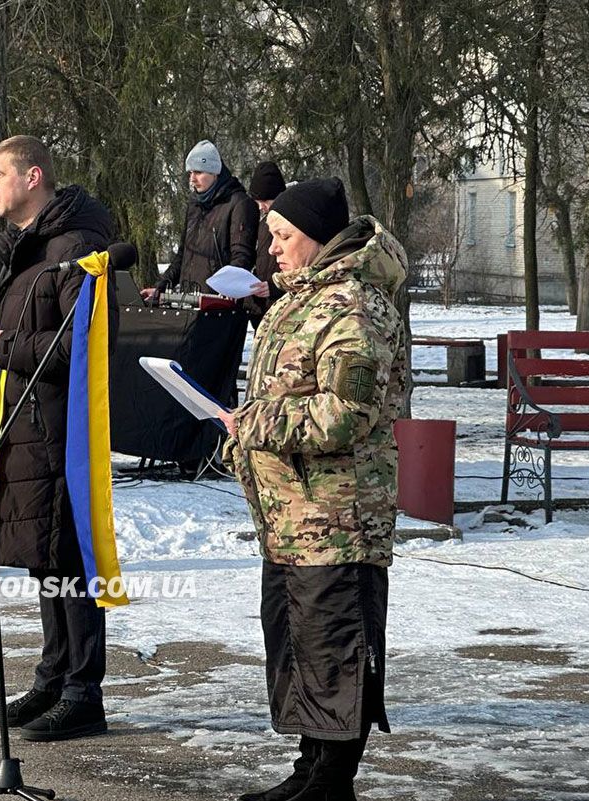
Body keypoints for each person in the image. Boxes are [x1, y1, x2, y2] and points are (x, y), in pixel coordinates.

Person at [218, 178, 409, 801]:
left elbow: (344, 415)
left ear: (320, 240)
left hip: (338, 516)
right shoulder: (302, 300)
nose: (272, 248)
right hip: (293, 516)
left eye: (283, 236)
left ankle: (332, 780)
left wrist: (256, 425)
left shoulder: (353, 305)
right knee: (299, 643)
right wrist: (241, 435)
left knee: (334, 649)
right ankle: (310, 770)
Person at [0, 134, 116, 742]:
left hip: (61, 433)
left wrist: (6, 349)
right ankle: (53, 678)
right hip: (26, 429)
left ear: (33, 177)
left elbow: (80, 348)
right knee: (44, 558)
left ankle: (84, 691)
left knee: (71, 560)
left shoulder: (75, 247)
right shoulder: (27, 250)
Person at [142, 140, 259, 301]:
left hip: (219, 304)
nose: (192, 179)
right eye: (190, 173)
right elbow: (183, 254)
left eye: (198, 172)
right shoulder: (195, 205)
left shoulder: (239, 204)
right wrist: (160, 288)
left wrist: (226, 291)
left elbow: (242, 255)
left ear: (214, 172)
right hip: (188, 299)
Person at [243, 161, 287, 328]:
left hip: (282, 310)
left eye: (264, 201)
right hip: (261, 311)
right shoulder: (263, 224)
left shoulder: (293, 225)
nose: (261, 207)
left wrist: (275, 287)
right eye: (257, 201)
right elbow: (261, 260)